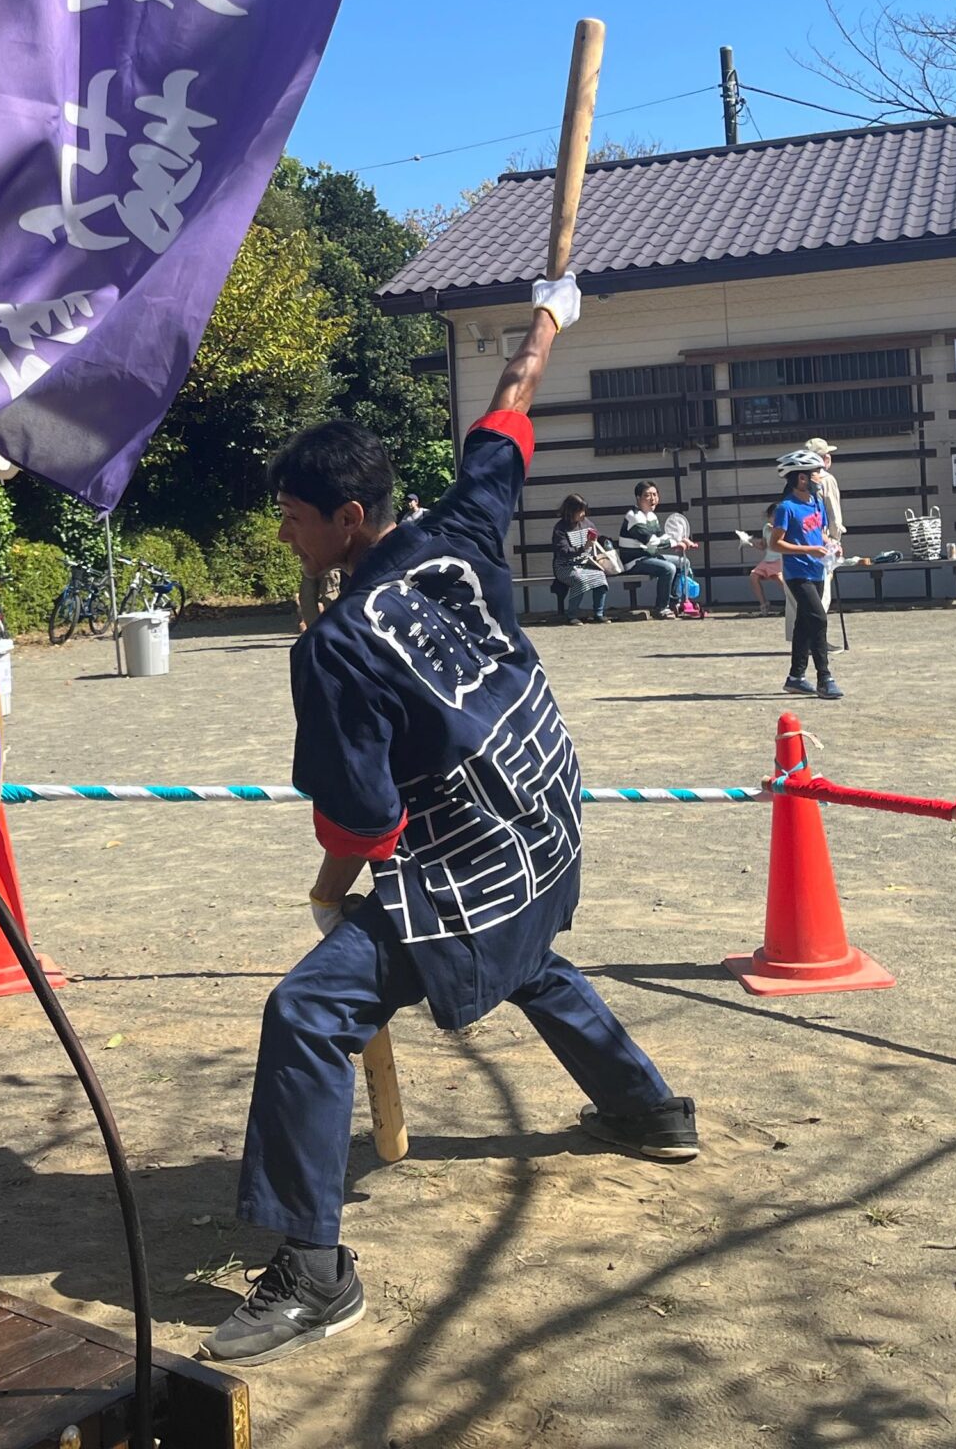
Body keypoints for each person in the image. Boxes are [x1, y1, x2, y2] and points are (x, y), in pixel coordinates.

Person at [208, 272, 695, 1366]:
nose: (284, 537)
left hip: (473, 861)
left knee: (305, 1013)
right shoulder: (459, 528)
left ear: (347, 519)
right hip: (551, 814)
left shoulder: (332, 650)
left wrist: (336, 893)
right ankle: (651, 1112)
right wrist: (550, 319)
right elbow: (505, 420)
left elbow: (366, 821)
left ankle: (313, 1273)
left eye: (293, 522)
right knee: (528, 959)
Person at [770, 451, 843, 700]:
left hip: (817, 570)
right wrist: (808, 549)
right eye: (815, 474)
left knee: (804, 623)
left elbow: (819, 533)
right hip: (797, 573)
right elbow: (776, 544)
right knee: (818, 619)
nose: (819, 478)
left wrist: (831, 544)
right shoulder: (786, 508)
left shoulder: (816, 503)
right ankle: (825, 677)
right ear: (801, 479)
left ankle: (796, 677)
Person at [617, 481, 689, 618]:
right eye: (647, 495)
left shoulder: (651, 516)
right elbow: (651, 541)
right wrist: (675, 543)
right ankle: (661, 609)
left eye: (655, 495)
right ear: (638, 498)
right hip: (634, 561)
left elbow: (661, 536)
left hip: (649, 558)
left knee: (683, 563)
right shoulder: (633, 516)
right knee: (668, 568)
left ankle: (674, 603)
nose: (653, 499)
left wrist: (681, 541)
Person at [548, 496, 613, 623]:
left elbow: (596, 538)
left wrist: (603, 540)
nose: (583, 514)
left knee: (600, 577)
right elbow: (563, 551)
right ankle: (572, 615)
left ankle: (599, 613)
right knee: (580, 580)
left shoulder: (587, 524)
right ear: (570, 511)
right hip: (565, 566)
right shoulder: (560, 528)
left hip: (585, 563)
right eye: (580, 511)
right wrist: (582, 548)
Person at [805, 437, 848, 546]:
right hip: (823, 539)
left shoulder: (797, 478)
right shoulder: (826, 479)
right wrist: (834, 540)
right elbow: (833, 510)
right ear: (825, 458)